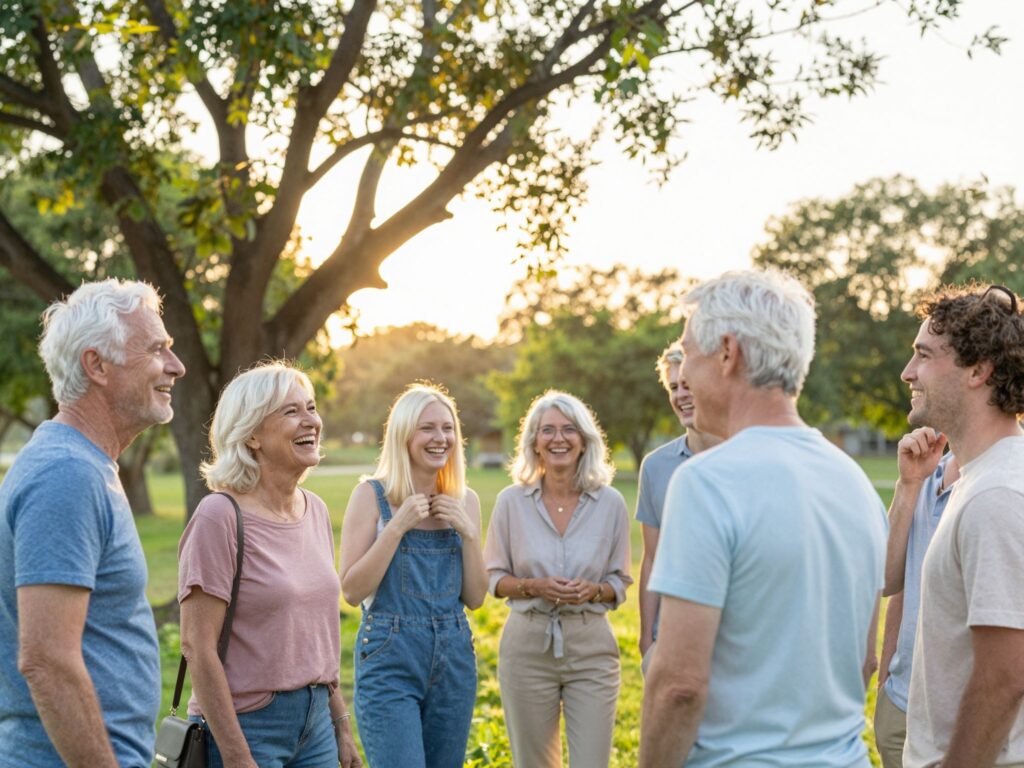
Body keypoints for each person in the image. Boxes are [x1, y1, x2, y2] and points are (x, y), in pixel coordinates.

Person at [639, 268, 887, 768]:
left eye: (687, 352)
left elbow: (679, 685)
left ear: (727, 353)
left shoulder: (707, 483)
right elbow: (864, 661)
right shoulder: (855, 483)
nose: (681, 375)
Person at [0, 279, 185, 766]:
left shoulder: (86, 465)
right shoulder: (66, 475)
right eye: (157, 349)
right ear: (96, 365)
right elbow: (47, 661)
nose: (177, 366)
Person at [178, 362, 359, 768]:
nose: (311, 420)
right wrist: (237, 755)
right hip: (247, 725)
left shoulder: (315, 511)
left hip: (316, 725)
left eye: (310, 407)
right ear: (253, 435)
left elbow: (318, 640)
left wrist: (341, 728)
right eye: (291, 411)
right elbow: (197, 647)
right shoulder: (218, 516)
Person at [901, 285, 1024, 768]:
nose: (908, 373)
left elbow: (1005, 676)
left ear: (979, 370)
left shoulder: (996, 494)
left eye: (924, 356)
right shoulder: (982, 479)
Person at [339, 384, 487, 768]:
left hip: (454, 658)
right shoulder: (370, 496)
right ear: (403, 435)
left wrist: (469, 534)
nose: (441, 439)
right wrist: (396, 527)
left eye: (448, 428)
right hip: (391, 657)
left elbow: (475, 598)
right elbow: (353, 591)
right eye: (428, 428)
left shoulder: (466, 501)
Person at [484, 389, 633, 768]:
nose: (558, 439)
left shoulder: (611, 503)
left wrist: (594, 590)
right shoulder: (510, 502)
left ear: (584, 441)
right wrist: (533, 586)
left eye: (569, 430)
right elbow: (495, 578)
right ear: (534, 441)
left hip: (592, 648)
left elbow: (619, 582)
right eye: (547, 430)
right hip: (526, 647)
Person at [873, 428, 959, 768]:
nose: (909, 374)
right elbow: (888, 580)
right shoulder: (931, 470)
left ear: (978, 372)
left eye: (923, 368)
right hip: (901, 710)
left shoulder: (1008, 480)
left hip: (961, 729)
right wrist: (908, 485)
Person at [637, 343, 721, 674]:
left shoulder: (746, 458)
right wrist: (647, 641)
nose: (680, 395)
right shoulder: (655, 467)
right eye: (673, 387)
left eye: (687, 385)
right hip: (669, 641)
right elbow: (653, 559)